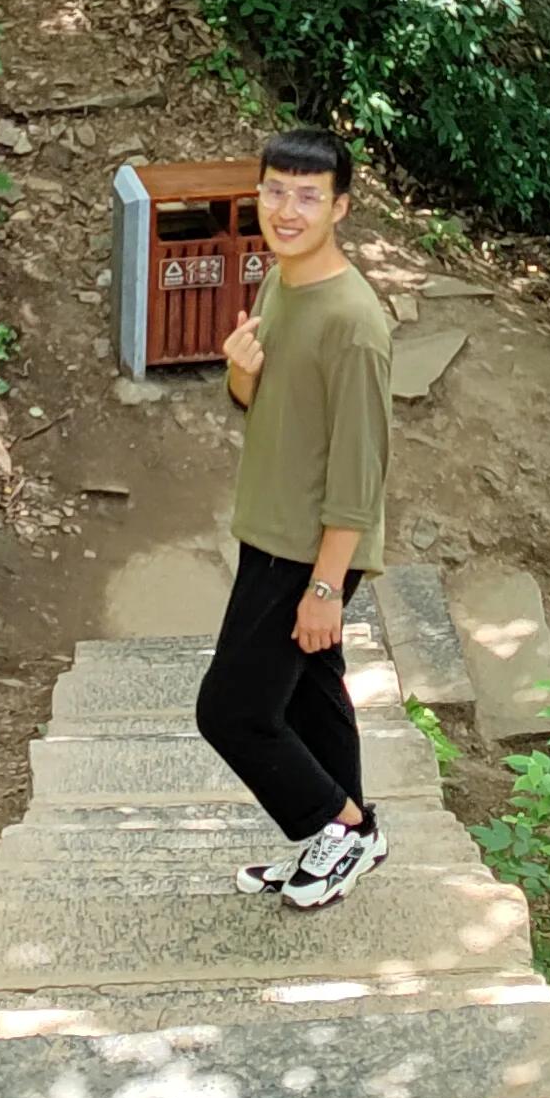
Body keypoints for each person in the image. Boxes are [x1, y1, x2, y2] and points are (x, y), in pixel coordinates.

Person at [196, 123, 393, 910]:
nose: (287, 208)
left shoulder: (355, 324)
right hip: (270, 527)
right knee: (312, 691)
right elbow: (262, 404)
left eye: (308, 196)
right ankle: (349, 835)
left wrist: (324, 587)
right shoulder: (282, 279)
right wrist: (240, 376)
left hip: (305, 546)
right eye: (275, 190)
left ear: (339, 208)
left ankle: (336, 825)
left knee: (232, 711)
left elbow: (360, 469)